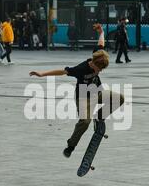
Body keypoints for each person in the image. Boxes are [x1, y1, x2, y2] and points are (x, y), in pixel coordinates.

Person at [29, 27, 124, 158]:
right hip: (84, 97)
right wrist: (41, 74)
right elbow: (62, 71)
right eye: (98, 69)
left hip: (98, 93)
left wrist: (101, 32)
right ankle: (71, 146)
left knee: (120, 98)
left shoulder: (98, 54)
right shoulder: (80, 69)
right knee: (85, 122)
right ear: (93, 63)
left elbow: (101, 43)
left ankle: (99, 117)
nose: (99, 71)